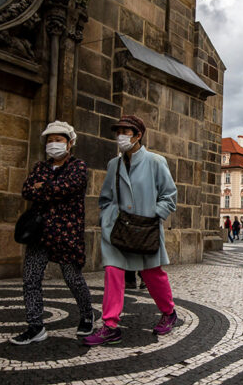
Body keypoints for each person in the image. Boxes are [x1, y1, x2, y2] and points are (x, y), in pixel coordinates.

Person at [84, 115, 178, 346]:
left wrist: (154, 214)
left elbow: (169, 195)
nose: (121, 136)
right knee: (113, 272)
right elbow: (105, 197)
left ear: (138, 135)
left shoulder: (156, 162)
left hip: (145, 229)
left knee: (152, 274)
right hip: (118, 229)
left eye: (126, 132)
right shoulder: (113, 164)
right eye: (119, 132)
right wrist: (108, 217)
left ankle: (169, 312)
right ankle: (110, 325)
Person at [10, 122, 95, 345]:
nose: (53, 144)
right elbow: (27, 190)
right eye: (50, 140)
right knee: (30, 279)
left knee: (73, 278)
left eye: (58, 140)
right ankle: (35, 325)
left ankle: (87, 315)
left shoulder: (79, 167)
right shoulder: (40, 167)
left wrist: (43, 188)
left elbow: (65, 187)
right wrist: (46, 188)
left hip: (66, 233)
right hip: (39, 233)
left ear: (70, 143)